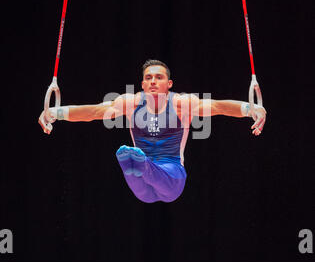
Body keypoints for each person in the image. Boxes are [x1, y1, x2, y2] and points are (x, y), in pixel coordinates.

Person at [38, 59, 266, 203]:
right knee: (140, 181)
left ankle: (137, 163)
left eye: (159, 77)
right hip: (141, 183)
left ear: (170, 84)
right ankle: (136, 164)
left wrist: (251, 109)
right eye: (149, 78)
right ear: (143, 84)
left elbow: (217, 107)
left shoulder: (182, 103)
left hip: (172, 171)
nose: (154, 81)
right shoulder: (130, 102)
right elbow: (96, 112)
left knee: (147, 169)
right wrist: (54, 112)